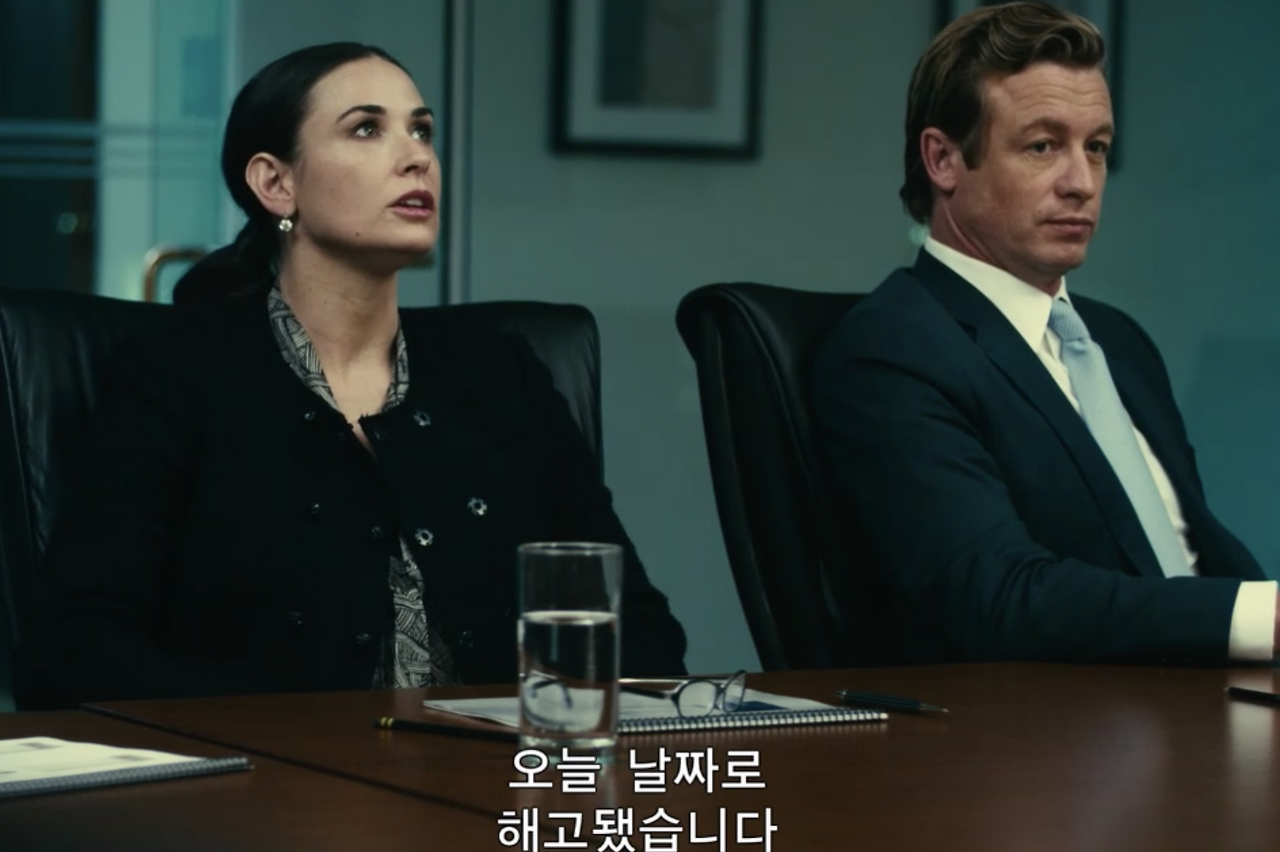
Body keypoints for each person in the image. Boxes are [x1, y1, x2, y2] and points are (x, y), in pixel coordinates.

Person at [14, 43, 686, 709]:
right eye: (366, 129)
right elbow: (74, 650)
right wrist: (294, 743)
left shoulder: (502, 370)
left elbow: (639, 633)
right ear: (276, 184)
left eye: (421, 130)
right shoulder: (174, 373)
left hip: (501, 766)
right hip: (273, 770)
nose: (416, 157)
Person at [812, 2, 1276, 667]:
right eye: (1042, 146)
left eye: (1096, 148)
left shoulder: (1119, 341)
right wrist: (1260, 617)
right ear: (943, 159)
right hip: (1065, 721)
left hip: (1217, 693)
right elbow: (997, 598)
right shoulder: (894, 350)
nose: (1082, 184)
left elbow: (1195, 556)